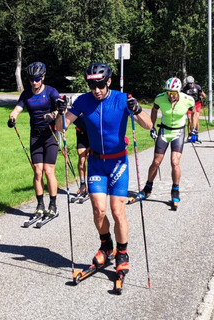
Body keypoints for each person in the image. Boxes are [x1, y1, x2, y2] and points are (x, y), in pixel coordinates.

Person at [56, 62, 153, 290]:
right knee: (99, 210)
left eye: (100, 84)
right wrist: (60, 112)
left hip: (118, 161)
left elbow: (148, 124)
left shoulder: (121, 98)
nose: (96, 89)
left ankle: (122, 253)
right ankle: (106, 246)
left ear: (108, 81)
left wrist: (137, 109)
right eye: (92, 85)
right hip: (96, 162)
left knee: (118, 211)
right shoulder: (83, 101)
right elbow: (61, 127)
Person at [8, 62, 60, 218]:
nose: (34, 82)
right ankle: (40, 205)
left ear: (43, 77)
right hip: (35, 135)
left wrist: (52, 115)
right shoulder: (26, 94)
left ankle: (53, 204)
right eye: (31, 79)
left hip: (50, 134)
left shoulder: (51, 91)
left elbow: (59, 108)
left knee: (48, 171)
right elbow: (17, 109)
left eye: (37, 79)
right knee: (37, 171)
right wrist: (12, 117)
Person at [139, 77, 195, 207]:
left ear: (179, 91)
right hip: (164, 131)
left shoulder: (188, 100)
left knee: (174, 162)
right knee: (156, 162)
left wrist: (193, 130)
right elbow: (154, 110)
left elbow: (193, 115)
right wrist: (152, 126)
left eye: (174, 93)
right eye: (169, 93)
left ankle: (175, 190)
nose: (171, 96)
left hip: (178, 132)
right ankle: (147, 188)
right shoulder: (160, 98)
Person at [182, 76, 206, 142]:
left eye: (191, 83)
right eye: (189, 83)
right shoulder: (185, 89)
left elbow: (204, 95)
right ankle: (189, 134)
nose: (190, 85)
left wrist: (202, 96)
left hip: (197, 103)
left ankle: (196, 134)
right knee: (190, 120)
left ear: (193, 82)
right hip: (189, 105)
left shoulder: (197, 87)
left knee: (196, 119)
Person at [73, 115, 89, 198]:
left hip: (92, 131)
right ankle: (83, 184)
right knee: (81, 157)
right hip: (81, 131)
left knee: (90, 156)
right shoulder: (77, 102)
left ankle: (92, 184)